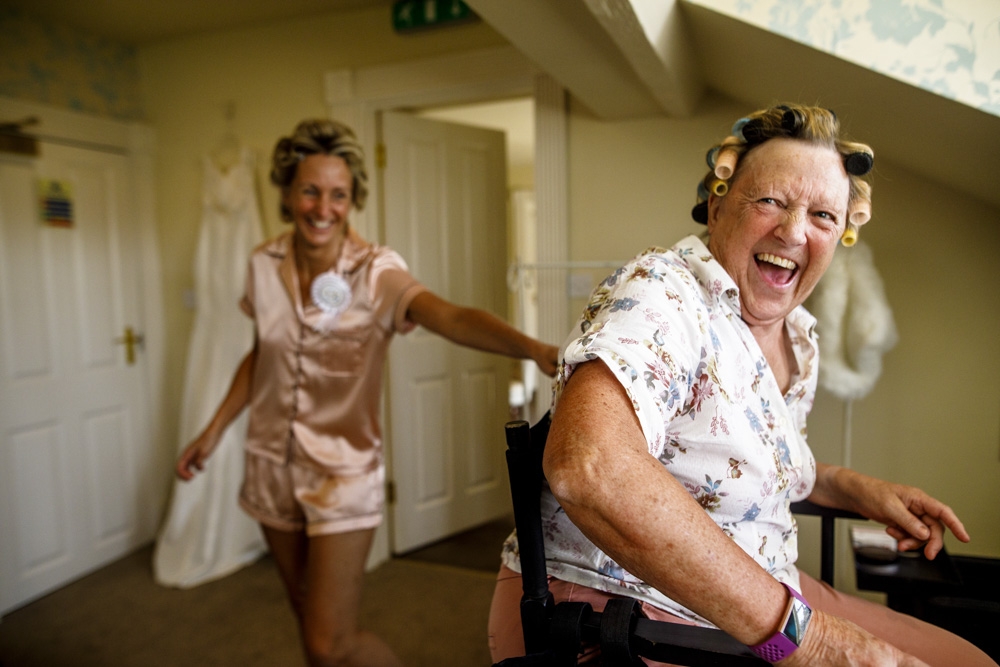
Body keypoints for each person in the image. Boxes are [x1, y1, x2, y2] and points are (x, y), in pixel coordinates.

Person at [488, 104, 997, 666]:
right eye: (770, 201)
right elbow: (588, 467)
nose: (794, 230)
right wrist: (814, 640)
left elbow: (743, 466)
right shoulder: (664, 291)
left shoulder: (795, 337)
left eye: (823, 216)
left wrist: (856, 489)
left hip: (765, 586)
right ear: (717, 203)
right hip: (628, 614)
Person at [175, 118, 559, 667]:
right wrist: (211, 433)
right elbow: (262, 353)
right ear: (287, 193)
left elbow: (447, 315)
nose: (323, 207)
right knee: (309, 624)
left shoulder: (376, 271)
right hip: (268, 463)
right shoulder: (262, 264)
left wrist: (530, 347)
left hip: (341, 473)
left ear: (353, 198)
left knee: (330, 642)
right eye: (310, 190)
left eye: (338, 194)